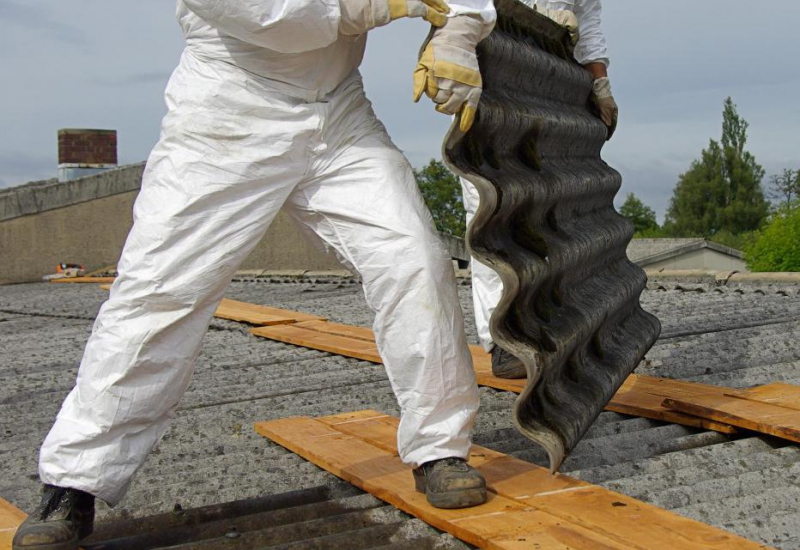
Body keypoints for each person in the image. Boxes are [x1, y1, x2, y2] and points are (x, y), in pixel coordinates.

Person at [13, 1, 496, 548]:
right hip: (227, 116)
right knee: (159, 294)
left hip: (339, 116)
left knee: (415, 261)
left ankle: (440, 448)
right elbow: (282, 19)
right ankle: (73, 482)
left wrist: (457, 33)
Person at [460, 0, 617, 379]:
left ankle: (555, 326)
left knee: (554, 207)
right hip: (492, 71)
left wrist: (598, 80)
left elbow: (589, 14)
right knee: (491, 210)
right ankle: (503, 340)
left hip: (553, 82)